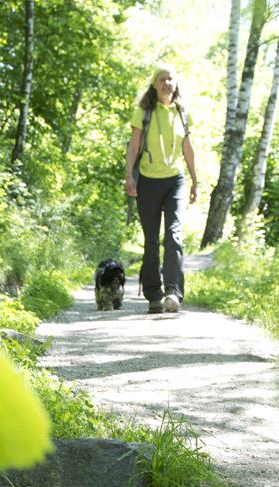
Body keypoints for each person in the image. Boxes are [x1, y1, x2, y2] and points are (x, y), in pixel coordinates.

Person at [124, 67, 198, 314]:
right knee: (152, 240)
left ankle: (173, 292)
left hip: (175, 180)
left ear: (175, 84)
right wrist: (128, 177)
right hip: (147, 180)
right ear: (154, 84)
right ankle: (153, 295)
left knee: (174, 235)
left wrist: (195, 181)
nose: (167, 83)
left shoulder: (181, 112)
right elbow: (134, 148)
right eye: (162, 79)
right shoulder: (143, 112)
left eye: (170, 79)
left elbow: (187, 148)